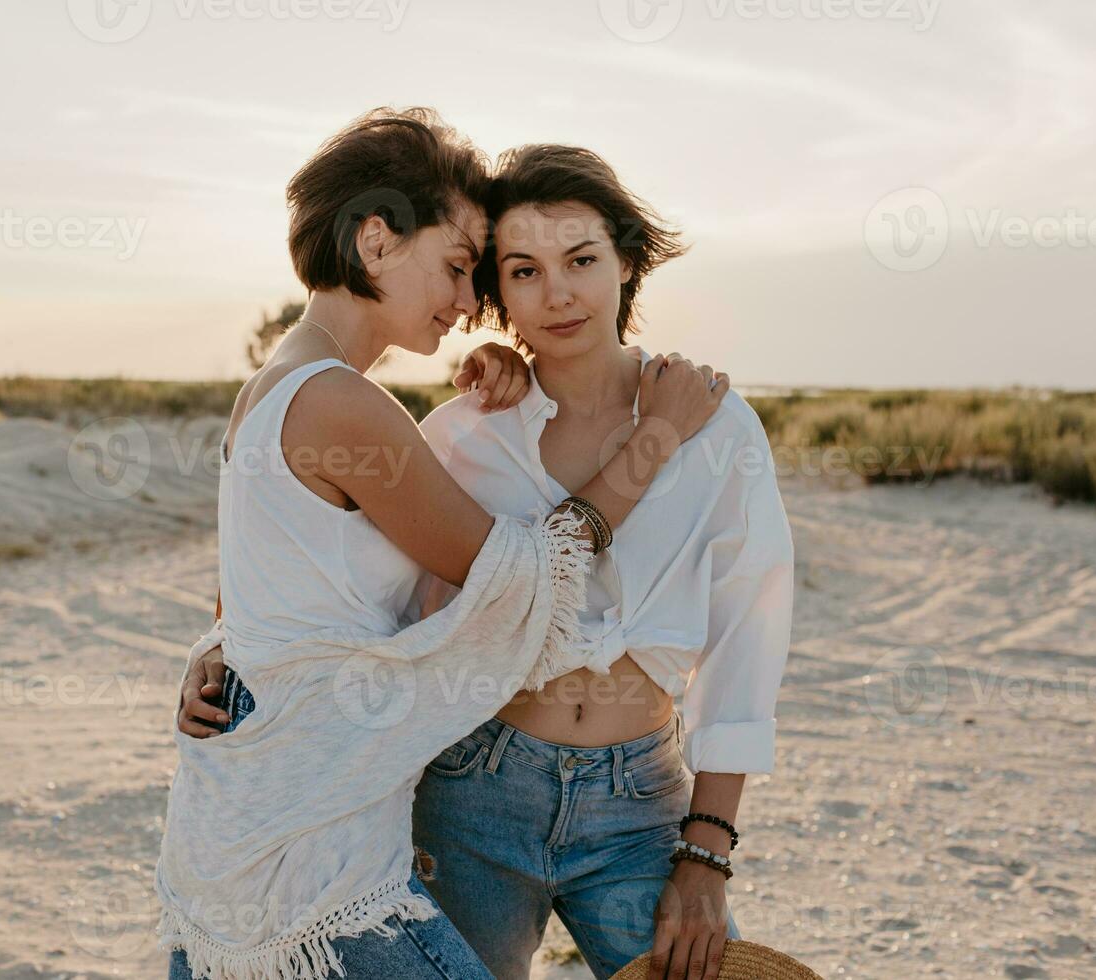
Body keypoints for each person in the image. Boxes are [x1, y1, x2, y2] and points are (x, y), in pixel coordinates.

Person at [158, 108, 730, 980]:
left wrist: (217, 651)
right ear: (378, 240)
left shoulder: (272, 387)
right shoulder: (342, 404)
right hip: (313, 879)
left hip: (251, 835)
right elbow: (521, 580)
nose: (470, 305)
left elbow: (255, 587)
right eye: (459, 268)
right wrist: (654, 442)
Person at [408, 144, 796, 980]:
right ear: (497, 292)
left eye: (581, 259)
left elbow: (748, 638)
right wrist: (219, 649)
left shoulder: (718, 431)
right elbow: (367, 597)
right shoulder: (464, 436)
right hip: (475, 787)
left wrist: (707, 853)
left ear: (626, 259)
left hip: (640, 804)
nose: (558, 293)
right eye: (524, 270)